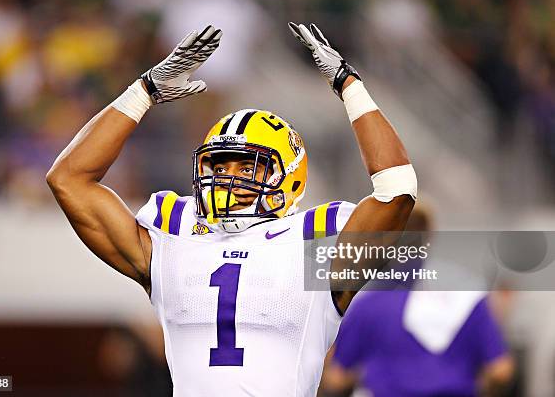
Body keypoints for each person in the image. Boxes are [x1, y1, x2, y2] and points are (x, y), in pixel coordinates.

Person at [46, 23, 417, 396]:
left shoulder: (316, 242)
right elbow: (69, 178)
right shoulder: (173, 231)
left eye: (247, 167)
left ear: (287, 175)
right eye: (219, 167)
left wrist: (348, 84)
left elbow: (397, 190)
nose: (229, 179)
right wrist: (144, 91)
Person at [320, 205, 514, 397]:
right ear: (429, 236)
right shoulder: (468, 298)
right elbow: (500, 370)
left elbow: (338, 377)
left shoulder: (369, 304)